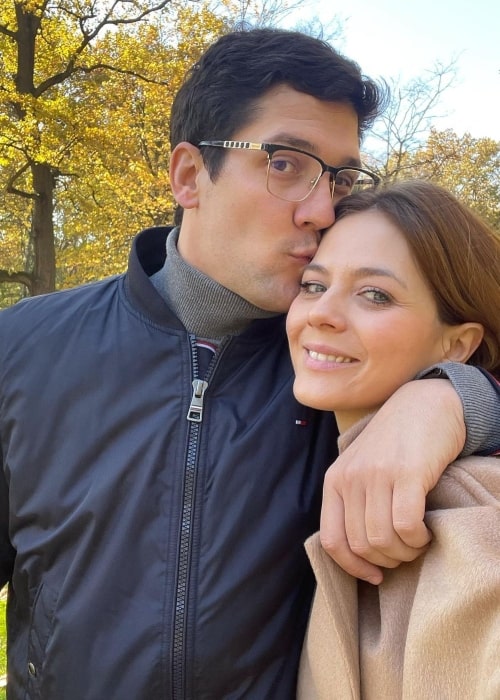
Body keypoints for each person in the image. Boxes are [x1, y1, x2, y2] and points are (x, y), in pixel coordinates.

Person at [0, 28, 499, 700]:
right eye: (287, 163)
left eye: (342, 177)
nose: (323, 208)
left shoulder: (342, 370)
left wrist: (453, 399)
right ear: (187, 175)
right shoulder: (22, 345)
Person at [286, 179, 500, 699]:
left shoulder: (472, 510)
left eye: (375, 295)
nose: (321, 313)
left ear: (458, 345)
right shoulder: (298, 432)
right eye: (313, 285)